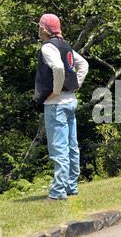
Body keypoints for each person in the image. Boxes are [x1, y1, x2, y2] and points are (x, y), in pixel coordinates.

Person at [35, 14, 89, 202]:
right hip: (71, 101)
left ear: (44, 29)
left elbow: (57, 67)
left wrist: (56, 91)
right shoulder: (65, 45)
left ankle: (57, 192)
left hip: (56, 105)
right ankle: (70, 187)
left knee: (59, 150)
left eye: (39, 25)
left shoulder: (48, 47)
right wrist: (76, 85)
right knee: (72, 147)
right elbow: (83, 64)